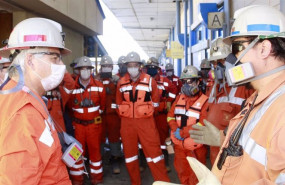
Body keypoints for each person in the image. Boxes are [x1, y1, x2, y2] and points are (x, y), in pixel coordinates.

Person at [189, 5, 285, 185]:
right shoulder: (259, 98)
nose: (231, 60)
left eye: (236, 48)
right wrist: (222, 139)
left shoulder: (281, 108)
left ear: (264, 48)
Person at [0, 17, 71, 184]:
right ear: (30, 60)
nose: (61, 65)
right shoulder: (21, 114)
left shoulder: (27, 97)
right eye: (55, 58)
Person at [190, 37, 253, 165]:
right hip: (215, 149)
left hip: (234, 152)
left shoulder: (246, 87)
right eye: (214, 62)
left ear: (233, 60)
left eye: (222, 61)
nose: (217, 66)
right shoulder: (214, 87)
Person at [116, 51, 170, 185]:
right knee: (130, 157)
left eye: (135, 65)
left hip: (147, 123)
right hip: (127, 124)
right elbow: (118, 104)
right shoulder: (121, 83)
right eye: (130, 65)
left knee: (155, 155)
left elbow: (156, 103)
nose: (133, 67)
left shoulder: (150, 81)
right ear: (126, 67)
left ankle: (163, 182)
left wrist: (143, 113)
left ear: (140, 66)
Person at [167, 65, 208, 185]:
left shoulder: (205, 100)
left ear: (198, 81)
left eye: (190, 81)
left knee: (196, 177)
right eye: (184, 81)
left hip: (196, 148)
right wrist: (175, 129)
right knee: (182, 174)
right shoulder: (179, 98)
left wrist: (183, 132)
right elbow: (170, 116)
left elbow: (203, 122)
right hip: (180, 147)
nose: (186, 84)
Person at [68, 56, 106, 185]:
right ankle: (77, 180)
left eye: (87, 69)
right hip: (78, 127)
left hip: (94, 126)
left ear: (91, 70)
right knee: (76, 153)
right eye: (82, 69)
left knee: (95, 153)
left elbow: (103, 106)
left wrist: (92, 116)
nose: (84, 71)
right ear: (77, 70)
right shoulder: (72, 87)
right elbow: (69, 107)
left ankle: (97, 179)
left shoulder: (99, 86)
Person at [145, 57, 177, 172]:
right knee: (147, 139)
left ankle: (166, 162)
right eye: (149, 68)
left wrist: (168, 101)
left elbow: (174, 90)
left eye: (153, 68)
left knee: (164, 140)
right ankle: (145, 162)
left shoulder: (164, 80)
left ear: (158, 69)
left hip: (161, 115)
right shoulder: (143, 80)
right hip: (147, 115)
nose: (151, 69)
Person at [96, 55, 122, 174]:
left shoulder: (117, 80)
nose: (106, 68)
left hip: (113, 115)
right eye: (104, 66)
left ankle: (115, 159)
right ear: (101, 68)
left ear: (112, 67)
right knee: (99, 137)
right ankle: (99, 159)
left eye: (108, 66)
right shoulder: (96, 80)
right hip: (100, 115)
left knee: (114, 137)